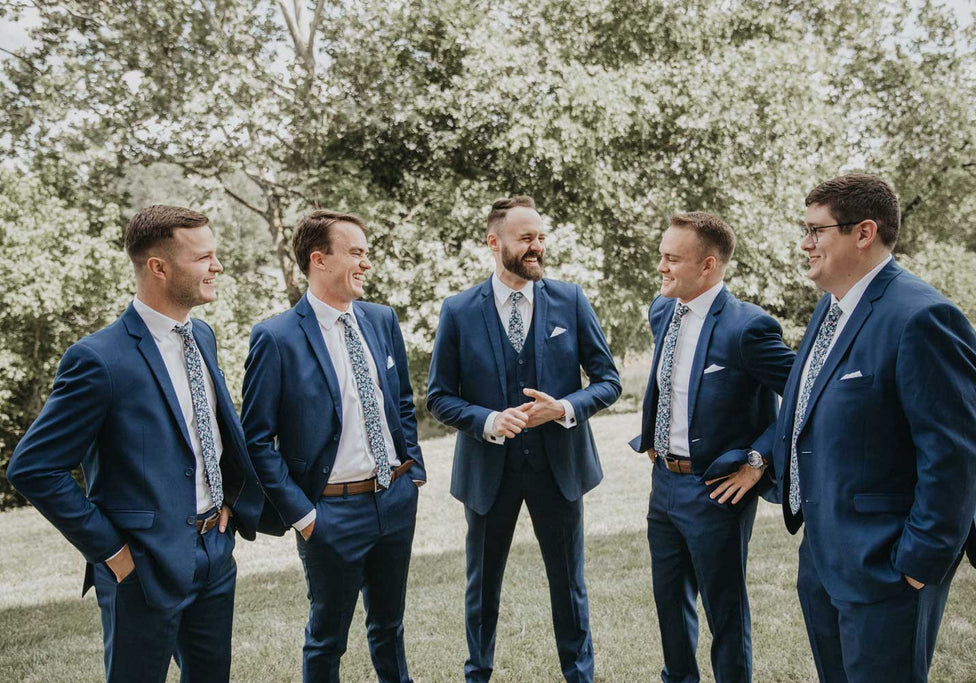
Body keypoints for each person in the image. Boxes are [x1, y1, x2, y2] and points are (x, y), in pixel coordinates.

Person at [7, 205, 264, 683]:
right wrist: (113, 552)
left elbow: (206, 434)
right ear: (158, 267)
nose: (218, 266)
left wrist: (226, 505)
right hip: (141, 567)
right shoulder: (98, 359)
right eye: (203, 257)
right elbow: (33, 468)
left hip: (214, 552)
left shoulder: (201, 335)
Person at [775, 173, 976, 682]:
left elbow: (955, 455)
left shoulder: (923, 317)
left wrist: (917, 563)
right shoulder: (831, 311)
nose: (804, 243)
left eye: (815, 230)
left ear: (864, 233)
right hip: (826, 559)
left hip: (888, 568)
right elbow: (808, 416)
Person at [426, 195, 620, 683]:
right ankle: (478, 673)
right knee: (482, 584)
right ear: (495, 242)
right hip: (489, 474)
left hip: (560, 469)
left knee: (569, 583)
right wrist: (488, 421)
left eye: (541, 237)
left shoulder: (570, 299)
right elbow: (439, 396)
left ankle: (579, 675)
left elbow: (608, 380)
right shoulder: (458, 310)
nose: (537, 247)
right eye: (525, 238)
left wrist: (566, 408)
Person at [241, 209, 424, 683]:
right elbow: (257, 440)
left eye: (367, 253)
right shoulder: (276, 337)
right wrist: (304, 517)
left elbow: (401, 401)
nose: (367, 264)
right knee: (327, 640)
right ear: (319, 260)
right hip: (329, 514)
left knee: (390, 627)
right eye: (357, 253)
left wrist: (413, 472)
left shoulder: (382, 320)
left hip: (395, 499)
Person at [629, 211, 795, 682]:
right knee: (669, 603)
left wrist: (759, 461)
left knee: (725, 611)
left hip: (717, 489)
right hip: (663, 484)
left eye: (671, 259)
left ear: (708, 266)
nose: (660, 267)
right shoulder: (662, 309)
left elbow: (807, 393)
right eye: (661, 255)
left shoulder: (749, 328)